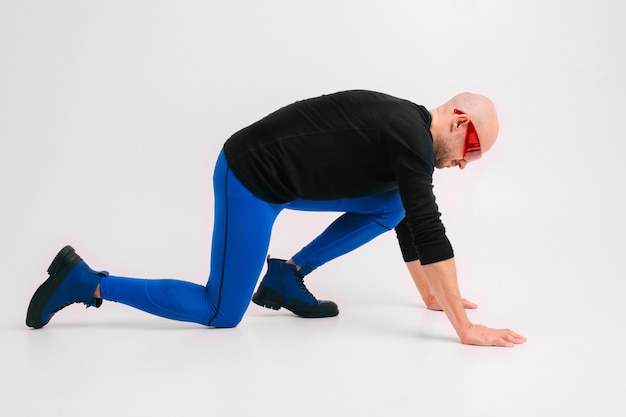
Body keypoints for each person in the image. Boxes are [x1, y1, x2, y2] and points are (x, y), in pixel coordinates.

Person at [26, 89, 526, 347]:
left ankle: (287, 275)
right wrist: (467, 331)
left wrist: (433, 296)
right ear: (460, 122)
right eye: (472, 151)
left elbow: (409, 219)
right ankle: (86, 282)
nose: (464, 163)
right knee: (220, 311)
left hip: (286, 183)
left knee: (393, 202)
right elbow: (430, 223)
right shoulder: (410, 134)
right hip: (249, 178)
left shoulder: (407, 133)